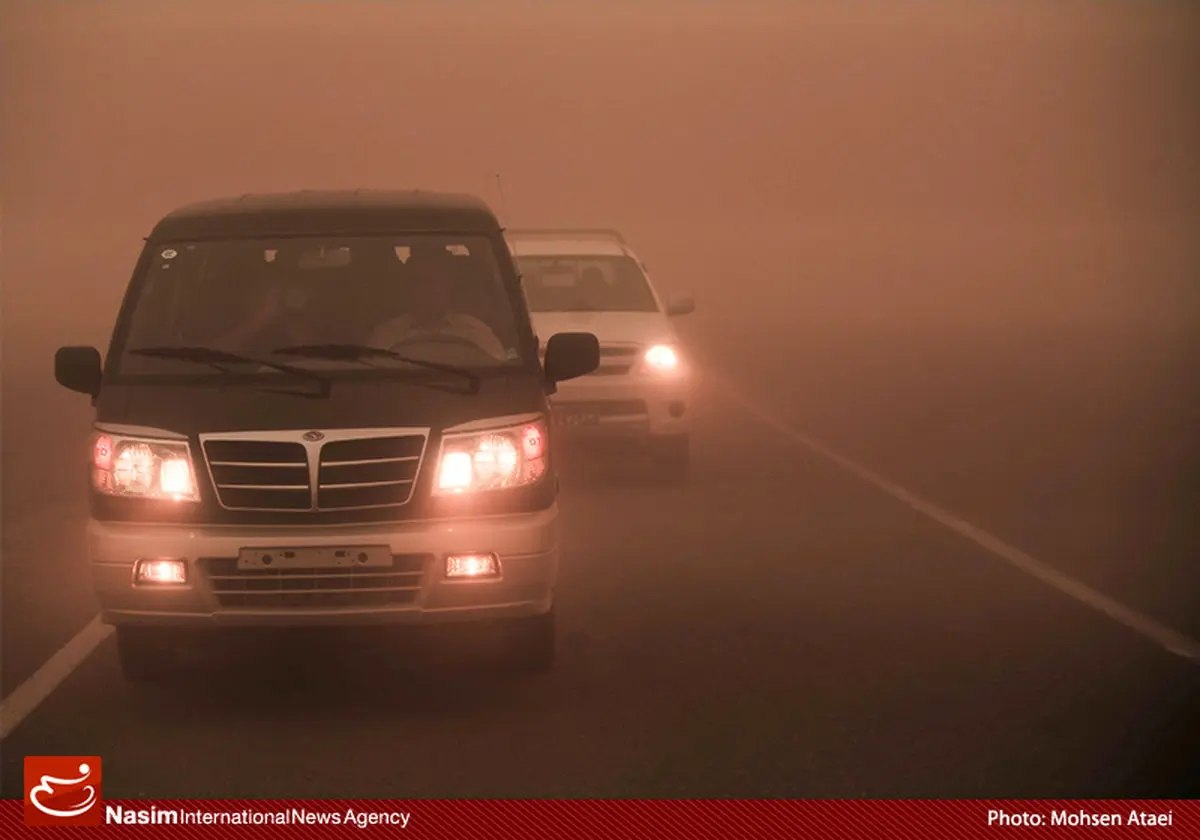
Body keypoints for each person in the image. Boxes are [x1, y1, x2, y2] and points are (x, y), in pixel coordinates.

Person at [367, 251, 508, 359]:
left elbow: (501, 375)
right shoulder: (386, 336)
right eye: (423, 282)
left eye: (438, 283)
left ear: (448, 288)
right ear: (409, 289)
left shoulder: (475, 332)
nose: (432, 290)